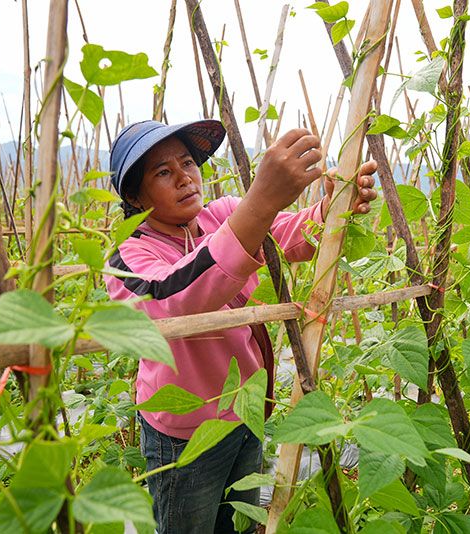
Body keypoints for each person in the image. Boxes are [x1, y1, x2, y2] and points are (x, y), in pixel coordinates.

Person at [104, 118, 377, 533]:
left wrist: (332, 206)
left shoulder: (224, 215)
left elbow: (290, 236)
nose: (184, 178)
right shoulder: (128, 258)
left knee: (240, 524)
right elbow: (174, 299)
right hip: (183, 433)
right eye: (163, 173)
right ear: (135, 196)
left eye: (187, 163)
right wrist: (261, 202)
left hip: (244, 411)